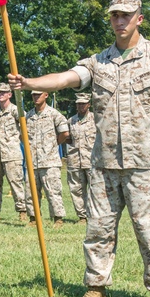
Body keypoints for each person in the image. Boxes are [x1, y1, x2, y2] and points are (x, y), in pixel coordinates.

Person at [8, 0, 150, 297]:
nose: (120, 20)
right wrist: (30, 83)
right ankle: (96, 288)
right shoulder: (98, 63)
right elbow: (66, 79)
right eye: (114, 15)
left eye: (126, 14)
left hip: (145, 163)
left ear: (139, 18)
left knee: (149, 230)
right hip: (104, 162)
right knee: (98, 229)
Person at [0, 83, 28, 222]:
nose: (0, 94)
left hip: (12, 154)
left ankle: (22, 211)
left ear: (10, 94)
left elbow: (24, 129)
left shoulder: (16, 110)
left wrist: (14, 140)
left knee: (15, 183)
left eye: (4, 92)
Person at [25, 90, 70, 227]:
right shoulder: (28, 115)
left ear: (46, 95)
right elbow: (23, 134)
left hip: (49, 161)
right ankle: (33, 219)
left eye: (39, 94)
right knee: (31, 192)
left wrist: (54, 144)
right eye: (33, 94)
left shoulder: (53, 114)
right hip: (33, 161)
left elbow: (65, 133)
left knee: (53, 191)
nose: (36, 97)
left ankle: (58, 219)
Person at [67, 92, 96, 225]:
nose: (80, 106)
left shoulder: (96, 119)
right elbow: (67, 138)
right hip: (74, 160)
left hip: (92, 160)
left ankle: (96, 216)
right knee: (76, 189)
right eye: (78, 104)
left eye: (83, 104)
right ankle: (82, 217)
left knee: (95, 189)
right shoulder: (71, 121)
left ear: (89, 104)